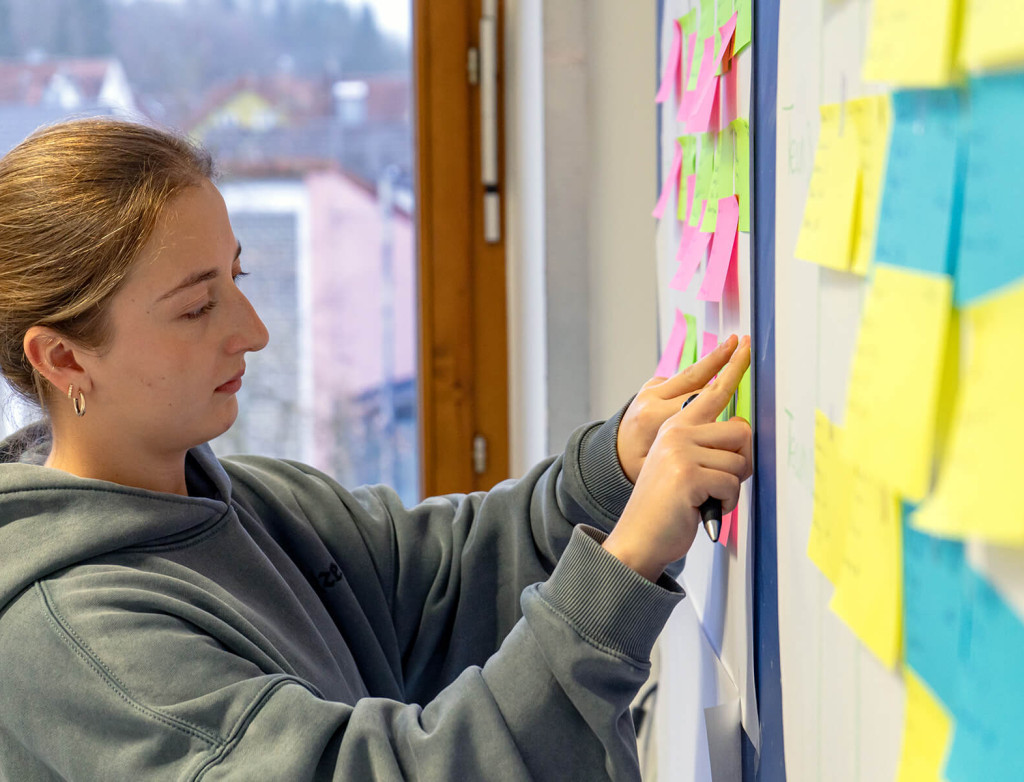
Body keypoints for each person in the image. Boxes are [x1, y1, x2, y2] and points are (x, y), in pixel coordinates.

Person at [0, 118, 752, 781]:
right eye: (197, 307)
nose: (253, 330)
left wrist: (614, 472)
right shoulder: (79, 637)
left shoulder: (255, 502)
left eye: (237, 276)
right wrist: (619, 574)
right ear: (64, 359)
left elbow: (451, 579)